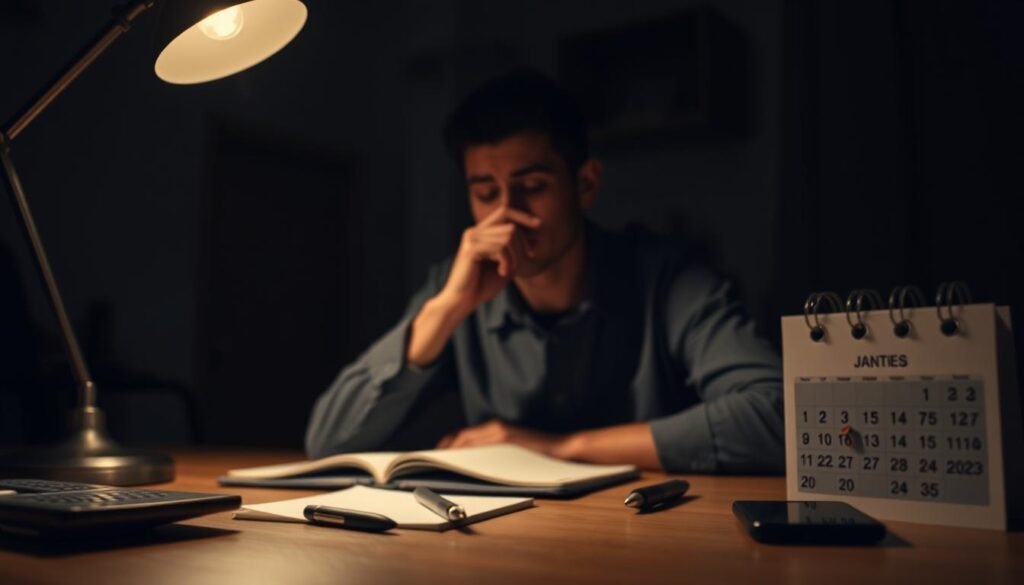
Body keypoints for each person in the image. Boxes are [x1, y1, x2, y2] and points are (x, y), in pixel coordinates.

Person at [305, 70, 784, 473]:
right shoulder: (456, 285)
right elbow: (326, 442)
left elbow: (778, 415)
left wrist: (559, 449)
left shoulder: (668, 277)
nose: (506, 215)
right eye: (486, 194)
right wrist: (446, 309)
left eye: (531, 186)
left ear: (586, 183)